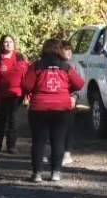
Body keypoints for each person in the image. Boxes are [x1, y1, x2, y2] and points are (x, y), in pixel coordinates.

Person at [22, 39, 84, 183]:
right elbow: (80, 84)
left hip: (39, 107)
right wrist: (67, 90)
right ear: (58, 50)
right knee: (58, 141)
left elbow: (26, 85)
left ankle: (37, 174)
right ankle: (56, 172)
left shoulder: (36, 66)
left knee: (38, 141)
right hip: (61, 107)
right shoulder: (65, 66)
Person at [0, 34, 28, 156]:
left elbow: (27, 73)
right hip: (1, 95)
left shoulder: (20, 57)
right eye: (5, 42)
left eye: (10, 41)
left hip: (17, 94)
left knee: (14, 120)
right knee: (1, 121)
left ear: (14, 44)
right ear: (2, 44)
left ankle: (11, 146)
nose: (8, 44)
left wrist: (27, 92)